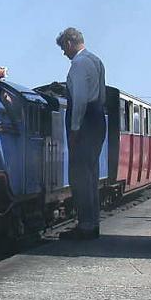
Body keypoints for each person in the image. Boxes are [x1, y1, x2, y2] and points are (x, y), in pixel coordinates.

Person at [56, 27, 106, 240]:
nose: (64, 53)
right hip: (98, 121)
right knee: (92, 176)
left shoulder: (78, 64)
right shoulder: (96, 61)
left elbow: (80, 100)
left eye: (63, 48)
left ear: (68, 43)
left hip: (85, 124)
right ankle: (92, 223)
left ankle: (85, 226)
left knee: (80, 177)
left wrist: (75, 129)